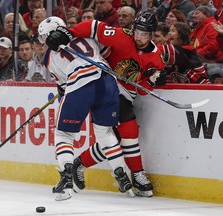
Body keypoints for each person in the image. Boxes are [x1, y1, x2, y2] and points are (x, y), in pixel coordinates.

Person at [45, 11, 166, 197]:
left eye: (144, 34)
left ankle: (80, 163)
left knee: (115, 138)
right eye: (137, 32)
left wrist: (151, 81)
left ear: (152, 35)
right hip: (107, 82)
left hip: (121, 93)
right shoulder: (123, 36)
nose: (139, 37)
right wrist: (69, 32)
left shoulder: (156, 58)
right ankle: (137, 174)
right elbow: (92, 26)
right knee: (128, 129)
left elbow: (141, 90)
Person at [38, 16, 133, 201]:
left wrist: (62, 86)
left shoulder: (49, 56)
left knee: (64, 135)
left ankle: (66, 182)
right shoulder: (86, 35)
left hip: (80, 84)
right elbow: (106, 52)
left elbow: (64, 86)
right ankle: (123, 178)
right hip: (107, 81)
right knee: (105, 133)